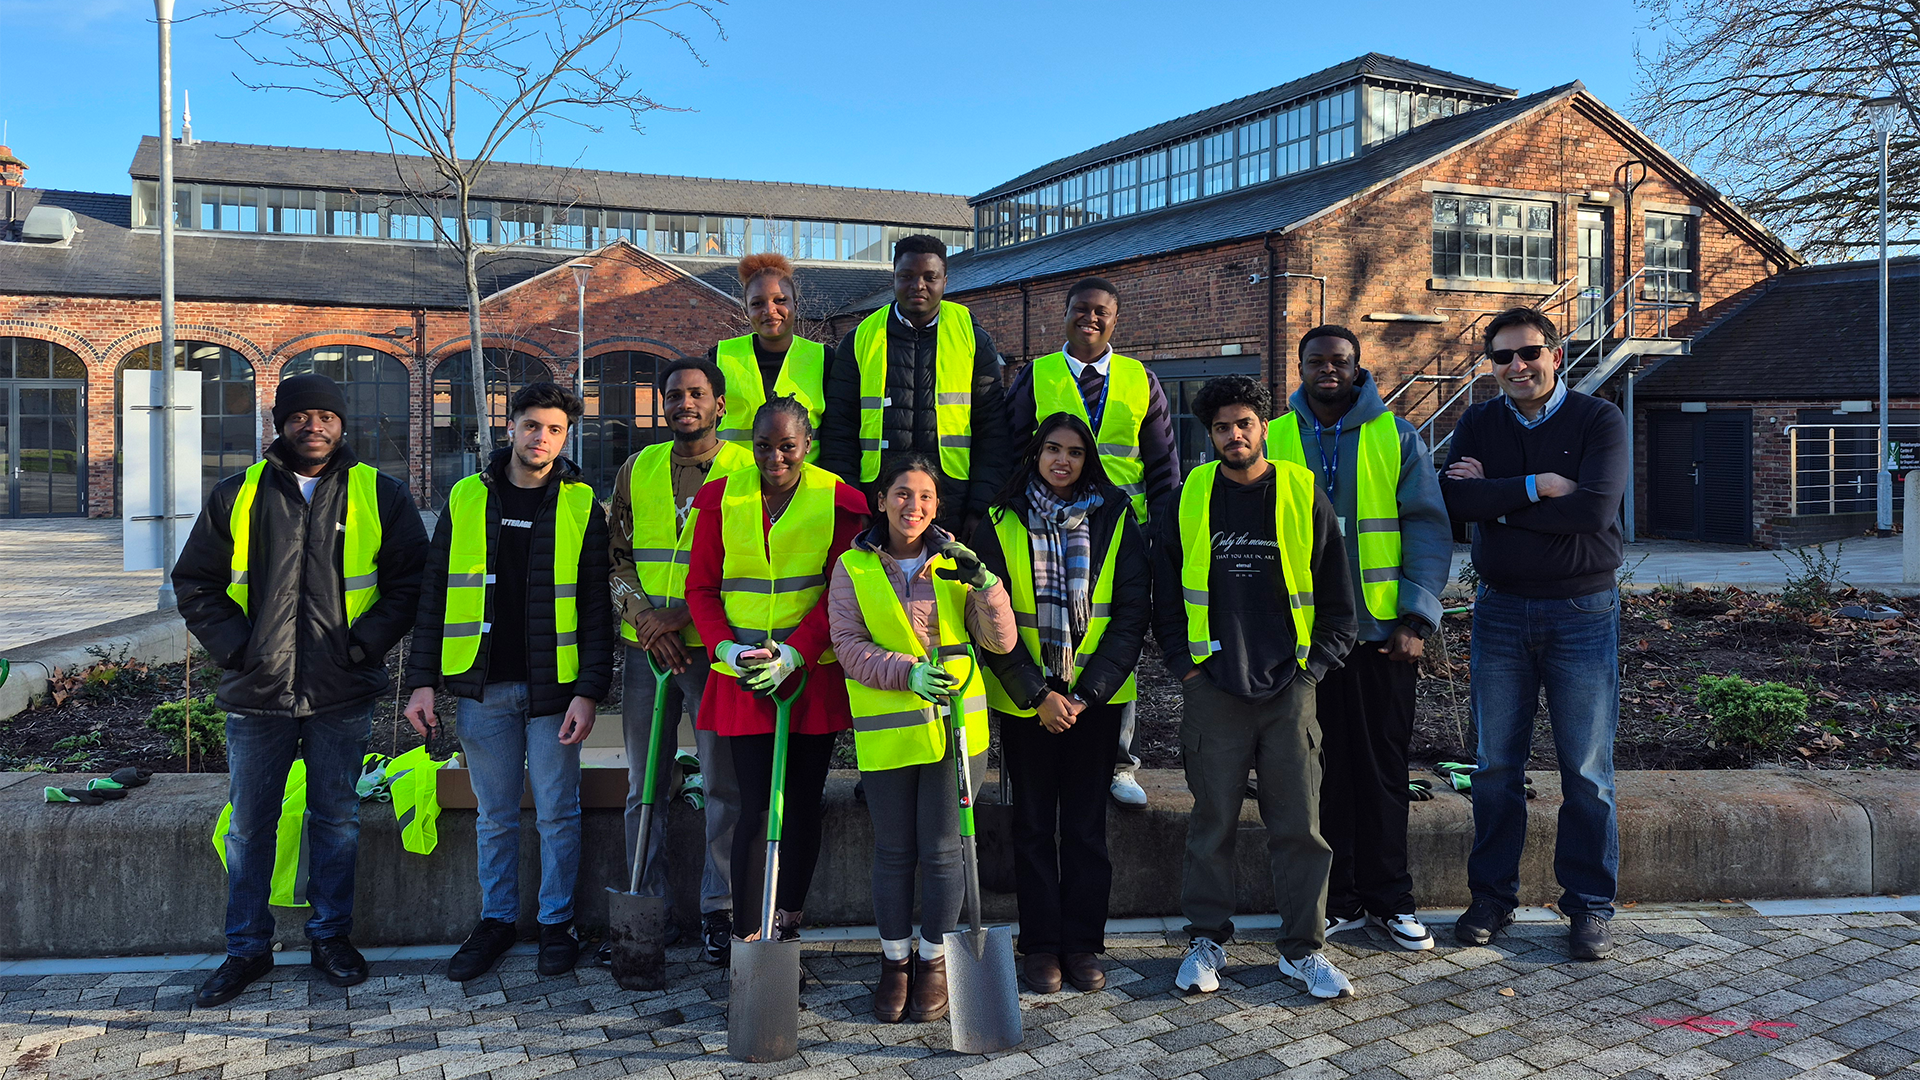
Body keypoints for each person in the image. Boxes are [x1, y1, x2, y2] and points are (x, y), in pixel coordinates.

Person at [173, 372, 427, 1007]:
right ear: (280, 423)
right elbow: (195, 582)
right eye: (301, 415)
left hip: (342, 691)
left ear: (344, 424)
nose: (313, 425)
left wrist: (364, 646)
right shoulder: (239, 493)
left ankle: (331, 937)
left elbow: (409, 584)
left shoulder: (380, 494)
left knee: (336, 820)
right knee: (250, 826)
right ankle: (245, 949)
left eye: (326, 415)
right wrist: (237, 649)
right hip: (256, 693)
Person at [1150, 374, 1358, 1000]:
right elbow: (1164, 591)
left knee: (1300, 825)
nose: (1234, 435)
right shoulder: (1190, 495)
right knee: (1212, 821)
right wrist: (1185, 668)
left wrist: (1313, 667)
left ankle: (1304, 951)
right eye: (1221, 427)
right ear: (1208, 434)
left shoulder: (1300, 490)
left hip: (1288, 686)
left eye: (1244, 423)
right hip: (1213, 684)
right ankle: (1206, 939)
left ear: (1263, 425)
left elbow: (1336, 597)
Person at [403, 382, 614, 982]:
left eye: (553, 429)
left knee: (557, 813)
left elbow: (596, 605)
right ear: (510, 428)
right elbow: (433, 594)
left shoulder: (581, 504)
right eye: (530, 426)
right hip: (481, 685)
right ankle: (495, 921)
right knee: (494, 814)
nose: (540, 438)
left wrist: (589, 691)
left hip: (557, 690)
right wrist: (422, 681)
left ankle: (556, 924)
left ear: (566, 436)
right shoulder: (468, 496)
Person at [1440, 306, 1627, 961]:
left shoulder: (1599, 419)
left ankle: (1589, 908)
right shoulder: (1480, 421)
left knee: (1586, 774)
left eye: (1529, 353)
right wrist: (1535, 486)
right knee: (1494, 771)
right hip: (1500, 613)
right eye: (1502, 357)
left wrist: (1499, 499)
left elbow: (1594, 509)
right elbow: (1455, 502)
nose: (1517, 367)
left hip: (1582, 613)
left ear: (1554, 354)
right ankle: (1492, 898)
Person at [1276, 325, 1452, 953]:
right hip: (1304, 640)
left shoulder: (1395, 435)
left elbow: (1428, 530)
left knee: (1381, 768)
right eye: (1317, 360)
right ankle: (1341, 899)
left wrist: (1415, 619)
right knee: (1318, 772)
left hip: (1382, 637)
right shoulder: (1272, 436)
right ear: (1299, 367)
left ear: (1359, 368)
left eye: (1341, 361)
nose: (1329, 369)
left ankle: (1391, 897)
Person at [828, 453, 1017, 1023]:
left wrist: (985, 584)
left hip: (958, 730)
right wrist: (905, 672)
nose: (914, 506)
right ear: (882, 500)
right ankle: (894, 963)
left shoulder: (956, 562)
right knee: (892, 851)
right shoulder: (853, 567)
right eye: (903, 494)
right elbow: (847, 644)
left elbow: (1001, 642)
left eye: (926, 496)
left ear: (938, 504)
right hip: (889, 729)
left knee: (942, 852)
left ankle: (935, 961)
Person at [972, 413, 1149, 995]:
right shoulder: (998, 519)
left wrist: (1082, 694)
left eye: (1074, 452)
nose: (1062, 461)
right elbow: (988, 624)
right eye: (1052, 449)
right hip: (1027, 702)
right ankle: (1041, 944)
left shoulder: (1116, 516)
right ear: (1035, 453)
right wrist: (1038, 693)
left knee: (1083, 829)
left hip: (1092, 701)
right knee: (1030, 826)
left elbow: (1129, 615)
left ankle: (1081, 943)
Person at [685, 396, 869, 945]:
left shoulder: (838, 500)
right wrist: (725, 650)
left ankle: (787, 924)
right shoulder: (721, 498)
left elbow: (844, 589)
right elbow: (701, 588)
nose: (775, 458)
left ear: (807, 444)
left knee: (803, 805)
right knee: (755, 805)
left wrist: (796, 653)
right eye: (763, 446)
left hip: (809, 676)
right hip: (743, 676)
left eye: (788, 446)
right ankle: (749, 937)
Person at [1004, 276, 1179, 813]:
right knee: (1046, 630)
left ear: (1115, 319)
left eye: (1102, 311)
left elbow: (1162, 465)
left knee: (1118, 637)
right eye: (1081, 309)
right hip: (1046, 526)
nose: (1091, 318)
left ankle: (1121, 762)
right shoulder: (1036, 375)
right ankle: (1030, 756)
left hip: (1120, 532)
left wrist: (1162, 536)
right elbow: (1011, 448)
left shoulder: (1139, 379)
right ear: (1065, 313)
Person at [607, 357, 755, 967]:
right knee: (646, 783)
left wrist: (687, 623)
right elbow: (614, 558)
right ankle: (647, 907)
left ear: (720, 403)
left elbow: (753, 567)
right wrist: (648, 621)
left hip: (717, 653)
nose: (683, 403)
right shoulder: (635, 469)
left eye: (697, 393)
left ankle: (719, 912)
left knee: (724, 782)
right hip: (647, 653)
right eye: (673, 395)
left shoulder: (750, 469)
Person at [818, 234, 1011, 533]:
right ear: (893, 278)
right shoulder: (861, 339)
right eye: (906, 276)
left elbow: (993, 431)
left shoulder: (972, 338)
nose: (917, 285)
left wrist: (980, 508)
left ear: (945, 280)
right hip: (877, 505)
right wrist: (852, 504)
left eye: (929, 276)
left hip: (954, 508)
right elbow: (839, 431)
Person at [708, 252, 831, 459]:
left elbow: (838, 433)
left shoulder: (824, 359)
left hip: (805, 485)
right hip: (735, 483)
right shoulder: (720, 357)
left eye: (780, 300)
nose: (769, 310)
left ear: (796, 306)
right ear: (746, 311)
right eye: (757, 304)